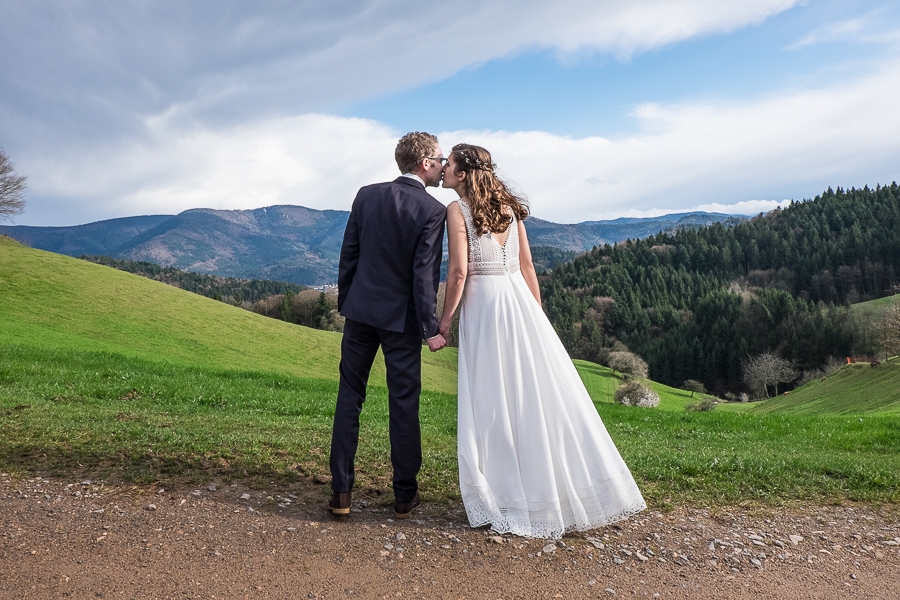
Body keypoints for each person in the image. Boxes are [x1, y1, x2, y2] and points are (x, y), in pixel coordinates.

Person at [438, 143, 646, 538]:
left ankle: (506, 493)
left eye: (448, 164)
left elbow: (459, 274)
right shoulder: (511, 208)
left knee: (494, 397)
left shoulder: (457, 210)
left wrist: (444, 322)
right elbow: (528, 266)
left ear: (463, 173)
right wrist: (538, 317)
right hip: (520, 300)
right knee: (535, 395)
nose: (443, 170)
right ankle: (550, 488)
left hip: (486, 305)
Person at [329, 132, 448, 519]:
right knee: (403, 404)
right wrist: (430, 328)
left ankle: (341, 493)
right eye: (441, 160)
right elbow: (424, 277)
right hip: (402, 323)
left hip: (360, 314)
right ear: (426, 163)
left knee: (350, 397)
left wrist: (348, 302)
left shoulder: (366, 195)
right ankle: (404, 496)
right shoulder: (432, 211)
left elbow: (350, 255)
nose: (444, 166)